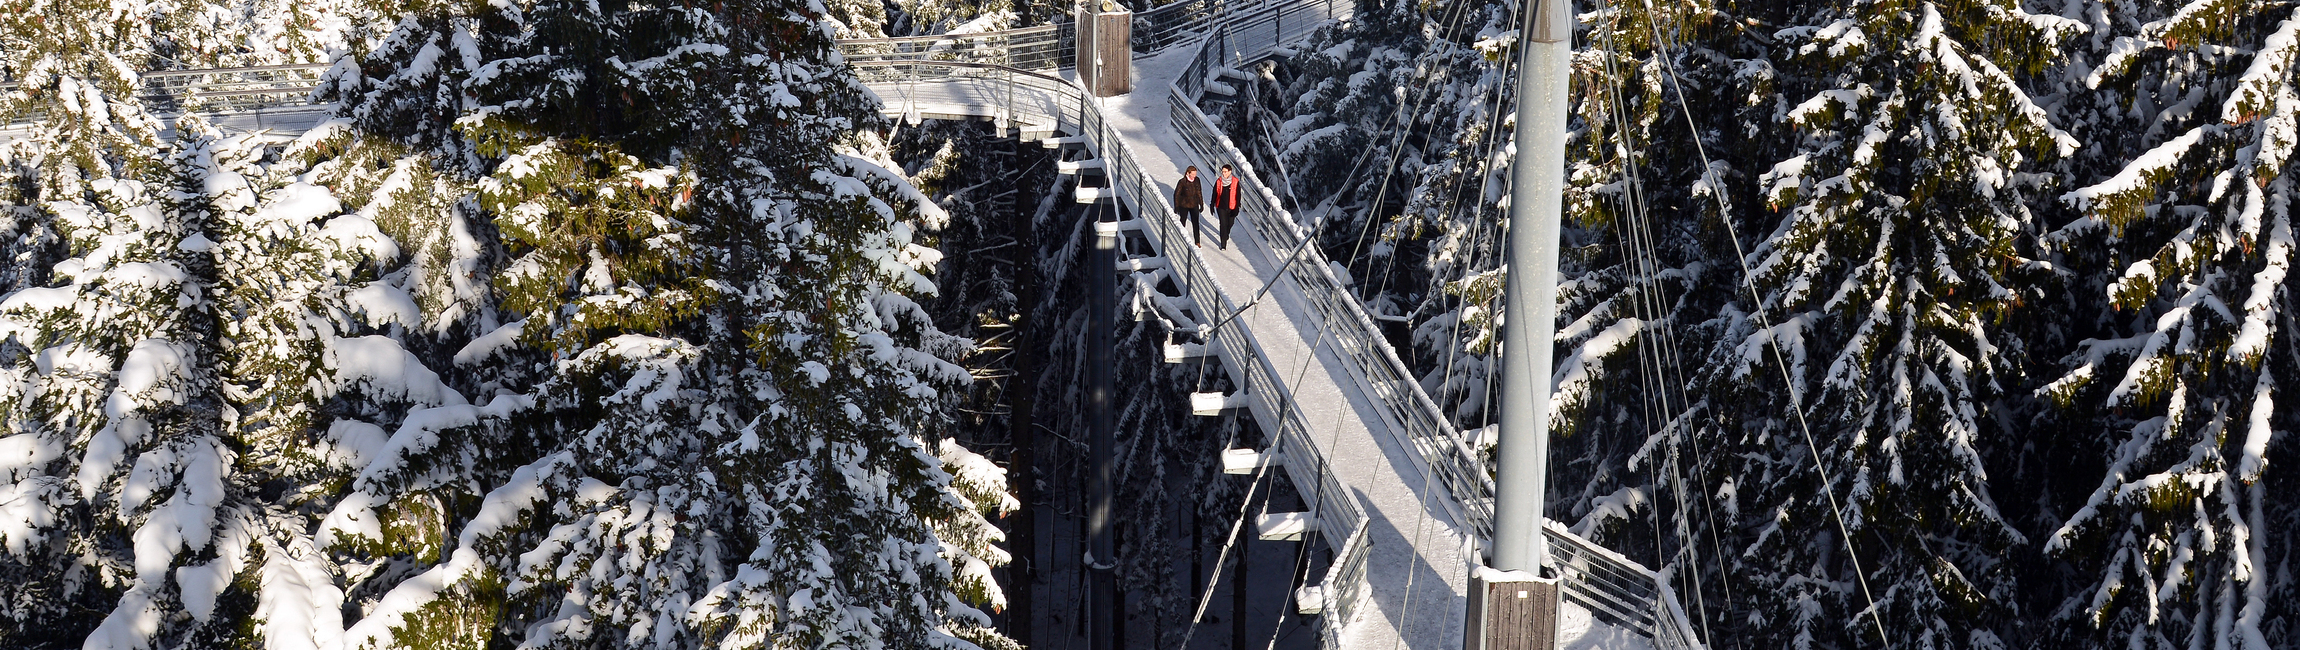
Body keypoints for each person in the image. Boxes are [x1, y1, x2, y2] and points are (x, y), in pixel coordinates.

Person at [1211, 164, 1241, 249]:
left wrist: (1237, 207)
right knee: (1223, 224)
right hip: (1221, 206)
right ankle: (1223, 244)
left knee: (1230, 223)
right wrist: (1212, 204)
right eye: (1222, 171)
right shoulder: (1219, 181)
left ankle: (1226, 234)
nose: (1223, 173)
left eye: (1225, 171)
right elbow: (1214, 193)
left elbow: (1238, 195)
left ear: (1230, 172)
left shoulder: (1235, 181)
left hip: (1232, 206)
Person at [1175, 166, 1205, 247]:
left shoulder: (1197, 180)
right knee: (1183, 221)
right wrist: (1176, 206)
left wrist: (1201, 204)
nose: (1194, 176)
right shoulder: (1182, 182)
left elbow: (1199, 192)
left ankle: (1197, 241)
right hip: (1184, 204)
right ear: (1188, 173)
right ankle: (1181, 238)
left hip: (1194, 204)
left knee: (1196, 223)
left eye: (1195, 174)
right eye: (1193, 174)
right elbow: (1177, 194)